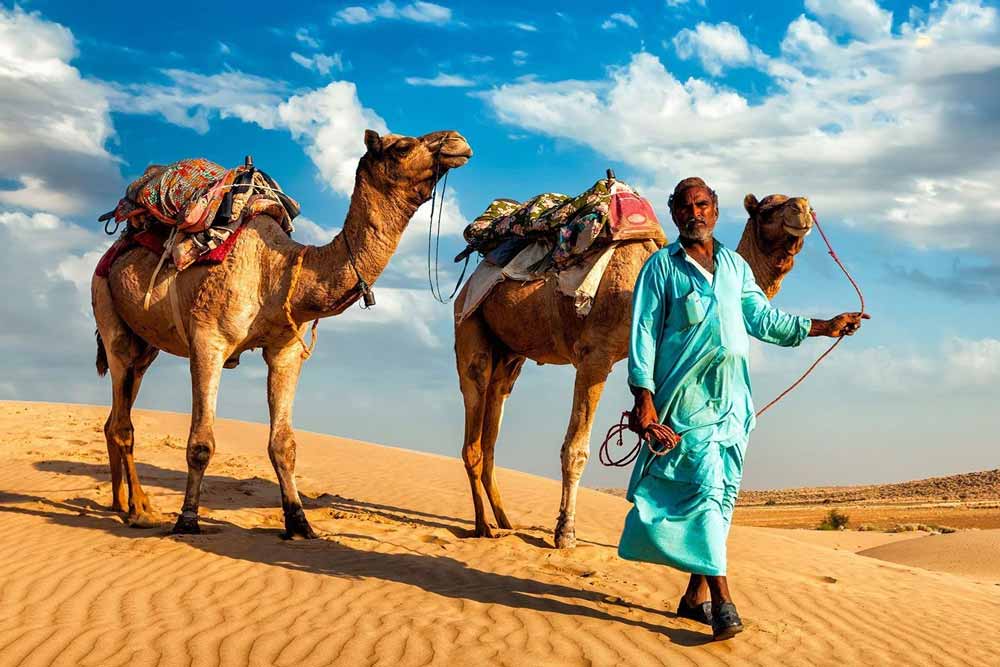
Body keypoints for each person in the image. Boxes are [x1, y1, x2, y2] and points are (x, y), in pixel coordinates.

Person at [617, 177, 868, 641]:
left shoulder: (734, 268)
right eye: (686, 206)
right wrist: (643, 400)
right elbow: (643, 335)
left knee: (721, 496)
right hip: (685, 402)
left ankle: (693, 597)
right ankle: (724, 602)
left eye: (703, 204)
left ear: (716, 211)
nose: (695, 213)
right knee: (707, 488)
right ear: (675, 214)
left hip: (734, 403)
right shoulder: (660, 269)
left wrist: (824, 326)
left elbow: (763, 319)